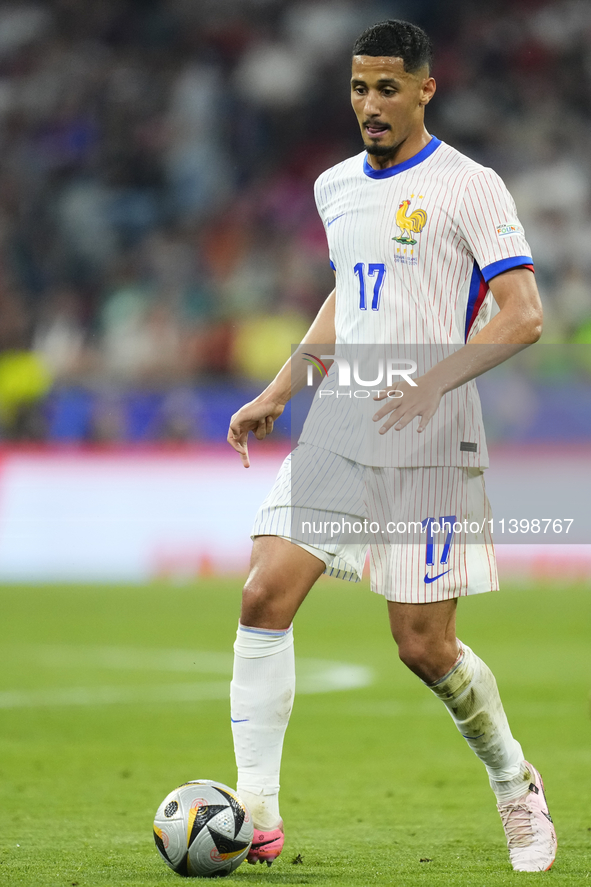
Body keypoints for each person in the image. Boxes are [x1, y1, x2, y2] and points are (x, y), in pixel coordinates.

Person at [227, 20, 556, 873]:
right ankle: (254, 814)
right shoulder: (336, 186)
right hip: (341, 418)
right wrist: (281, 386)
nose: (368, 105)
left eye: (385, 88)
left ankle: (515, 782)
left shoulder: (468, 187)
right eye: (357, 88)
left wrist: (432, 383)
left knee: (422, 646)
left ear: (423, 90)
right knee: (263, 595)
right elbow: (351, 292)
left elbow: (522, 314)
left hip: (432, 430)